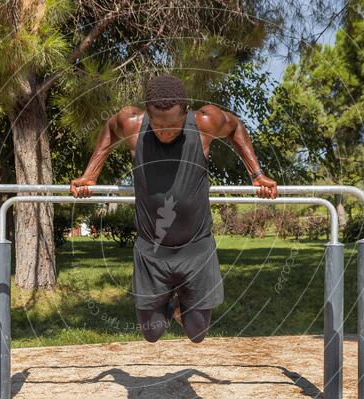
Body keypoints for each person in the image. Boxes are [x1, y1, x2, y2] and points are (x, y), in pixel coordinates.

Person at [70, 75, 277, 343]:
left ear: (186, 113)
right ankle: (167, 296)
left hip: (197, 248)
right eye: (158, 125)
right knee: (152, 333)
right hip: (151, 250)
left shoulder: (205, 123)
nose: (165, 131)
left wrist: (257, 174)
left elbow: (235, 128)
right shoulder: (131, 124)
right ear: (148, 116)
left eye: (174, 125)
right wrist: (90, 175)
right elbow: (110, 131)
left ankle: (181, 300)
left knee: (197, 333)